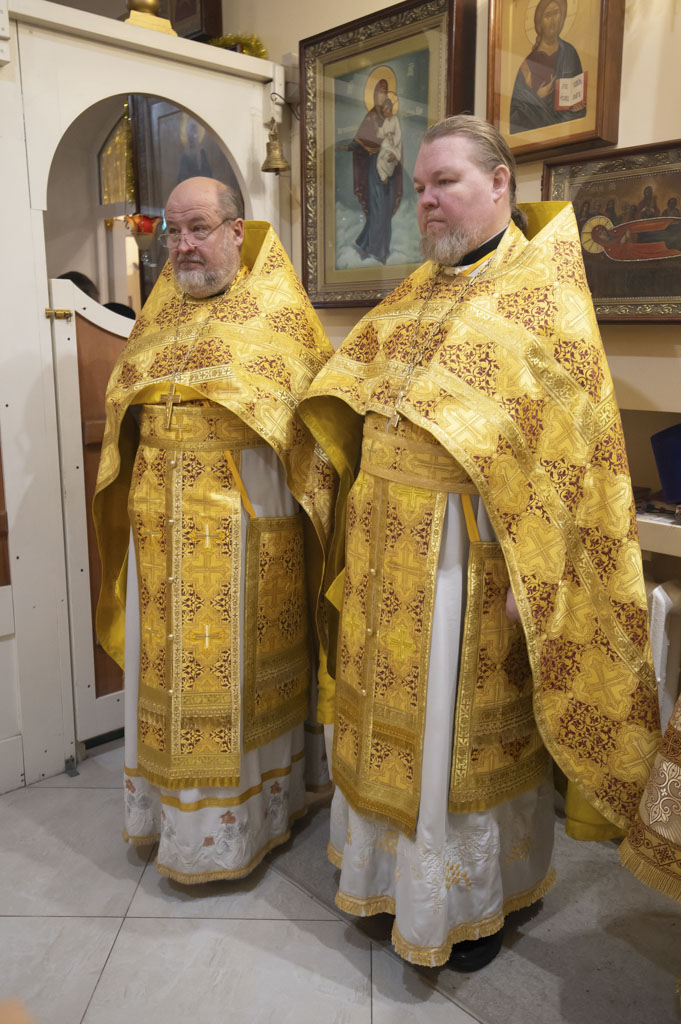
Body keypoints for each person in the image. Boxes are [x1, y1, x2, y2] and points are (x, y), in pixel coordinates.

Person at [300, 115, 661, 971]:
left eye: (446, 183)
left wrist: (539, 579)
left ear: (499, 183)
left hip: (469, 562)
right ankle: (386, 883)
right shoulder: (415, 291)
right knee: (387, 723)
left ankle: (466, 908)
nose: (425, 200)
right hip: (386, 555)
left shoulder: (540, 298)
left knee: (455, 741)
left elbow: (572, 458)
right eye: (420, 186)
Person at [93, 176, 336, 883]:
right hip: (160, 527)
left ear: (237, 230)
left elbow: (312, 438)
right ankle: (169, 817)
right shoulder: (158, 316)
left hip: (242, 528)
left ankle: (248, 823)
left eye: (198, 228)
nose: (183, 246)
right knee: (169, 673)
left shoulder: (279, 316)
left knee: (234, 679)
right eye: (173, 232)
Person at [510, 0, 586, 134]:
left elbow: (579, 99)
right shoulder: (529, 63)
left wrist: (579, 107)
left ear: (563, 16)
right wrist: (537, 97)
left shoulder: (569, 53)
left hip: (567, 131)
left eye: (556, 13)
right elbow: (516, 114)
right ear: (539, 22)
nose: (553, 20)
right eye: (548, 15)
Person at [350, 78, 403, 264]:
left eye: (384, 93)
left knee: (385, 211)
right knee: (377, 209)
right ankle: (374, 249)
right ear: (373, 95)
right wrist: (353, 146)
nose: (380, 96)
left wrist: (394, 155)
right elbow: (362, 140)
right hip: (374, 167)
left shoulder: (392, 119)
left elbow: (397, 141)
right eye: (378, 92)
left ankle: (375, 247)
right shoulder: (371, 117)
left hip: (391, 168)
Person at [376, 98, 403, 185]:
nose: (385, 112)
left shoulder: (395, 119)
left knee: (388, 159)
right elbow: (382, 132)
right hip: (387, 143)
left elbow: (398, 133)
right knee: (379, 160)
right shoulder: (386, 121)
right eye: (384, 110)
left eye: (386, 109)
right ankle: (383, 176)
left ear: (390, 108)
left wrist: (393, 142)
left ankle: (386, 174)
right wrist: (377, 129)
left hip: (394, 145)